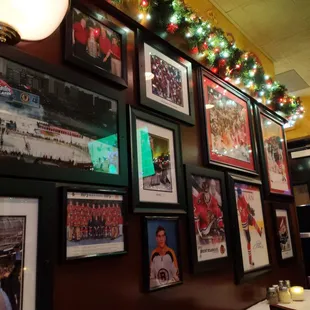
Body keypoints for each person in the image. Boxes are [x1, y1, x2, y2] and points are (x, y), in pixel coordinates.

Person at [236, 187, 263, 267]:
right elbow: (243, 213)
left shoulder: (242, 197)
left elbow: (246, 205)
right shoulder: (238, 203)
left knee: (253, 220)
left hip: (246, 216)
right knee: (249, 240)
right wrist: (248, 213)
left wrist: (250, 211)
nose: (241, 195)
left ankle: (260, 232)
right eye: (240, 194)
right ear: (238, 194)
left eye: (241, 193)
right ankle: (250, 260)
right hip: (244, 221)